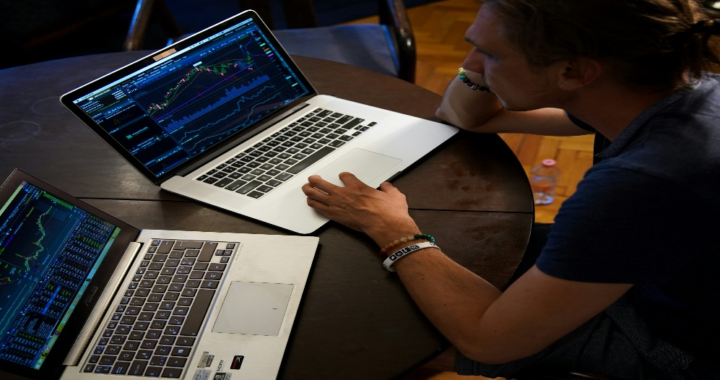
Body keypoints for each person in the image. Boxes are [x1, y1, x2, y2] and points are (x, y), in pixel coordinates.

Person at [301, 1, 720, 378]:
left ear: (572, 72)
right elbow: (467, 117)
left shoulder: (640, 184)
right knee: (453, 246)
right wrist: (487, 67)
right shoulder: (670, 89)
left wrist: (393, 230)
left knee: (372, 333)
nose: (469, 63)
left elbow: (489, 341)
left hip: (674, 347)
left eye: (491, 53)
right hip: (663, 279)